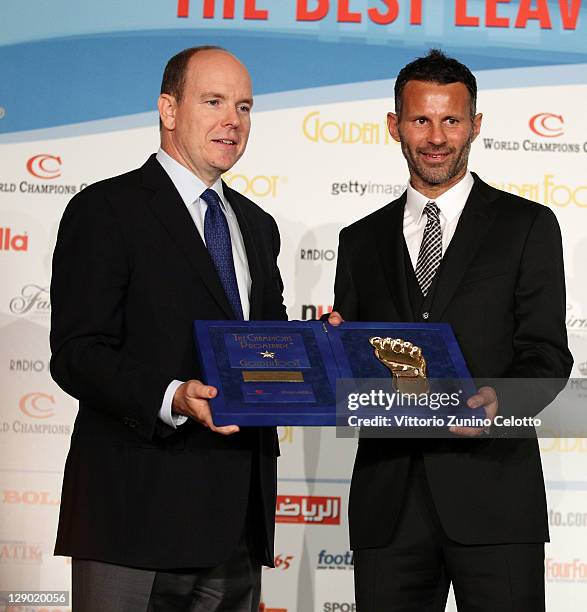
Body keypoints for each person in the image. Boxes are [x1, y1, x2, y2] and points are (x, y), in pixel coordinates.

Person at [329, 49, 572, 611]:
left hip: (494, 495)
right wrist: (332, 351)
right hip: (388, 504)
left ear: (475, 125)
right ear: (395, 126)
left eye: (451, 120)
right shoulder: (359, 240)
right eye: (420, 120)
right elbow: (355, 377)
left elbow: (547, 355)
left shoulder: (527, 225)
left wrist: (499, 401)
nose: (436, 137)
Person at [50, 46, 287, 611]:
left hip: (236, 524)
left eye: (244, 106)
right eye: (213, 101)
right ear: (169, 109)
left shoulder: (258, 226)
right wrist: (172, 396)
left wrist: (315, 352)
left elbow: (263, 351)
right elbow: (78, 352)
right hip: (133, 517)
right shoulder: (106, 209)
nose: (233, 120)